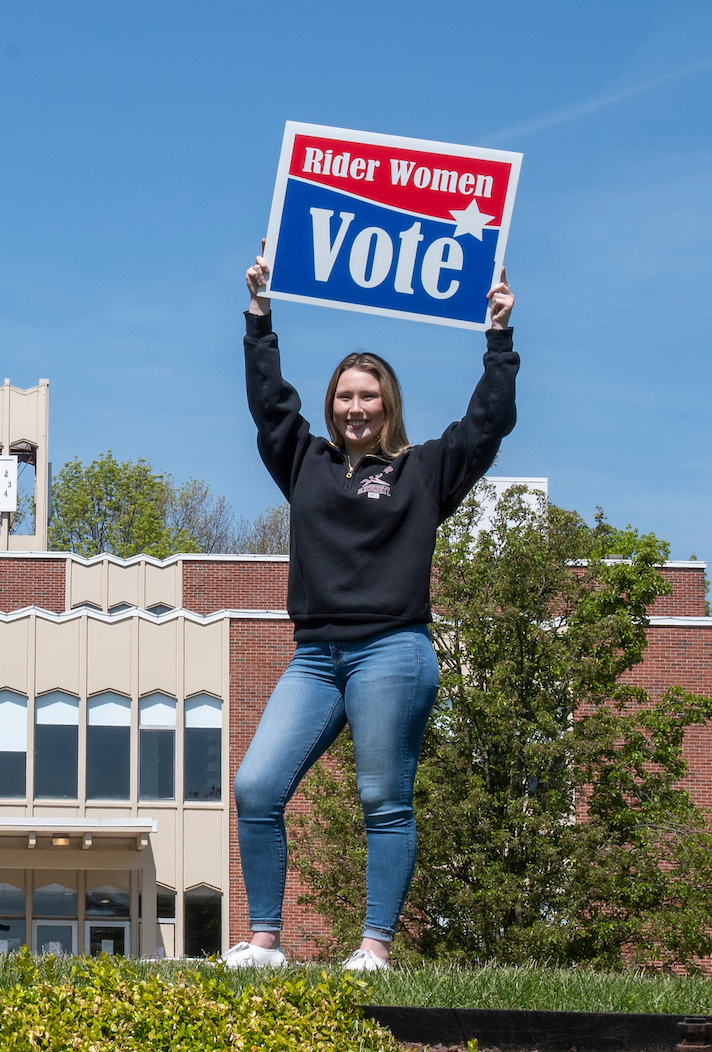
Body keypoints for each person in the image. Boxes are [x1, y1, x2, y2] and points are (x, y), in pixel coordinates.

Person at [224, 241, 517, 972]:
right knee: (256, 787)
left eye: (368, 395)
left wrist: (499, 337)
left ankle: (374, 947)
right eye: (344, 397)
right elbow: (269, 402)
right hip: (316, 657)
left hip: (393, 650)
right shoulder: (304, 461)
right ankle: (264, 942)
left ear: (388, 403)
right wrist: (260, 312)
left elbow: (488, 423)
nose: (355, 407)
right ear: (332, 407)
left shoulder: (425, 470)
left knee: (383, 798)